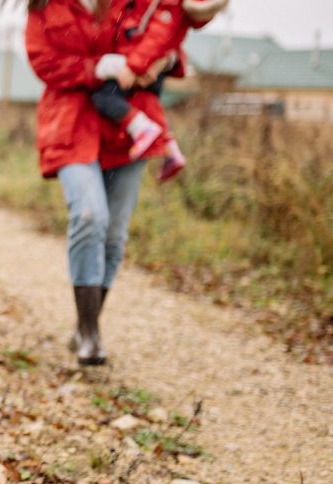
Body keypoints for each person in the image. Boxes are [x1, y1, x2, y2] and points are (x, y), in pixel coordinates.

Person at [25, 0, 172, 365]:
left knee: (115, 233)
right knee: (90, 216)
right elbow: (45, 63)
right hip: (71, 125)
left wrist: (165, 59)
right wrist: (98, 68)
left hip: (128, 128)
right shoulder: (45, 6)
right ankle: (89, 332)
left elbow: (165, 32)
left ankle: (86, 327)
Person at [89, 0, 229, 181]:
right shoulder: (164, 9)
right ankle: (170, 148)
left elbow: (158, 36)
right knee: (146, 100)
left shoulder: (164, 7)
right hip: (141, 63)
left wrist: (135, 66)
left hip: (137, 64)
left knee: (104, 97)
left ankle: (142, 129)